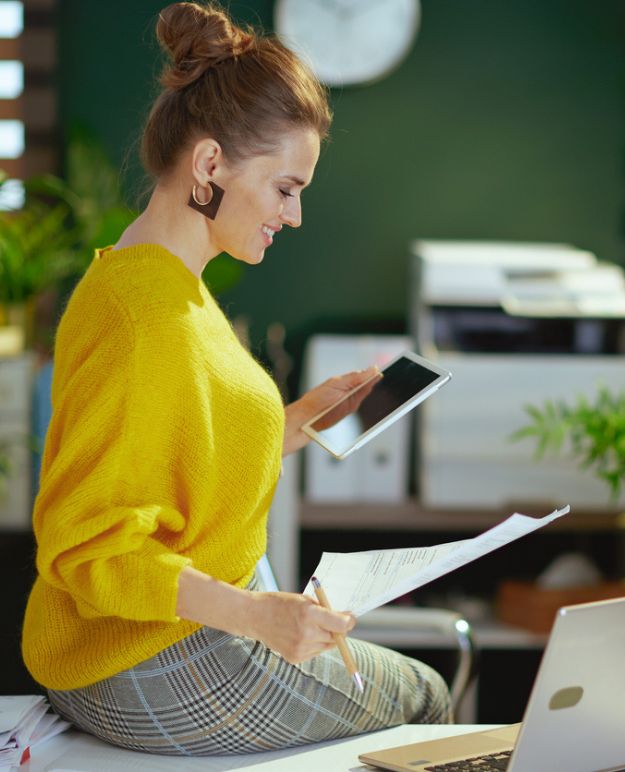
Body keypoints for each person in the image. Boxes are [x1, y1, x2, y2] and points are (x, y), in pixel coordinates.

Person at [21, 1, 451, 756]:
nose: (293, 216)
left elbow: (173, 451)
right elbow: (87, 546)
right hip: (148, 656)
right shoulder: (142, 317)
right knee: (426, 693)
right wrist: (260, 618)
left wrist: (292, 424)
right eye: (285, 188)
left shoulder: (160, 281)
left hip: (165, 637)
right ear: (210, 163)